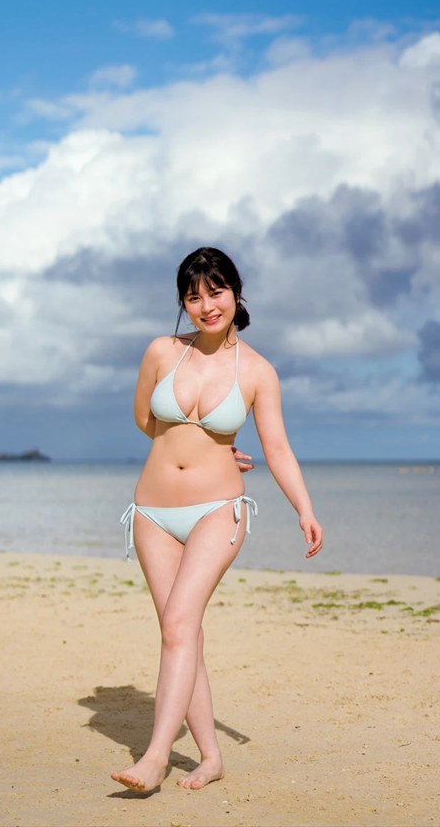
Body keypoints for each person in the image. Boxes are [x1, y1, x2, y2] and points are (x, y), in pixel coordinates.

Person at [111, 246, 324, 793]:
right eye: (193, 296)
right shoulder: (162, 351)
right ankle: (210, 756)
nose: (206, 305)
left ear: (236, 293)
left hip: (217, 511)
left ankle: (155, 758)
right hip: (152, 511)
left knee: (180, 624)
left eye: (216, 292)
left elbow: (277, 448)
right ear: (183, 303)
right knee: (181, 632)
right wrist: (204, 444)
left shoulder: (257, 371)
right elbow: (145, 420)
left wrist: (304, 508)